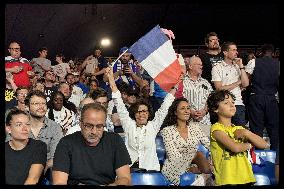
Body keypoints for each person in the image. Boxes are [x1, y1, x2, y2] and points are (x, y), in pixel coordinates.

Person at [105, 67, 179, 172]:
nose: (142, 114)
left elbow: (164, 107)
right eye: (139, 112)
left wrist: (176, 86)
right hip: (130, 171)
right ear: (134, 114)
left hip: (151, 171)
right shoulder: (128, 124)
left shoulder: (153, 126)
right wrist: (111, 78)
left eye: (145, 111)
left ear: (149, 114)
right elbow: (118, 101)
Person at [52, 103, 132, 185]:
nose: (94, 131)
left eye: (99, 126)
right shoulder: (66, 143)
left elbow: (125, 179)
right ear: (80, 124)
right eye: (89, 126)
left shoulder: (115, 141)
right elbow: (59, 183)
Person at [207, 90, 269, 186]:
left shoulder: (240, 129)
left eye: (233, 102)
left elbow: (264, 144)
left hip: (246, 178)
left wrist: (246, 132)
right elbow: (235, 148)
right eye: (226, 103)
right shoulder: (216, 128)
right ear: (215, 109)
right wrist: (250, 144)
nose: (232, 105)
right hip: (227, 180)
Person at [161, 98, 211, 185]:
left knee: (200, 154)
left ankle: (206, 176)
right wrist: (189, 168)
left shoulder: (195, 127)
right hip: (174, 167)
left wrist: (215, 159)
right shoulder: (167, 131)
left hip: (192, 165)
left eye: (188, 108)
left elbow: (209, 145)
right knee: (197, 153)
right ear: (175, 112)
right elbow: (173, 156)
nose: (187, 111)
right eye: (182, 108)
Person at [245, 44, 279, 151]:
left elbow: (246, 80)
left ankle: (257, 156)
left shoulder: (254, 62)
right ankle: (276, 159)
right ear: (273, 54)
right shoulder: (278, 64)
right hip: (271, 98)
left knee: (256, 129)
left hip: (256, 97)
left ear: (261, 52)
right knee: (274, 130)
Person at [211, 41, 249, 127]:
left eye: (236, 50)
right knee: (225, 135)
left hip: (238, 104)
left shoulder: (238, 66)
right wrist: (238, 82)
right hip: (223, 105)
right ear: (225, 52)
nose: (236, 52)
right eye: (233, 50)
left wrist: (241, 66)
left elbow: (246, 84)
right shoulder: (217, 67)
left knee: (240, 136)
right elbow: (219, 88)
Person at [5, 109, 47, 185]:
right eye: (19, 124)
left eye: (27, 124)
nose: (25, 129)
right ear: (9, 129)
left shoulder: (39, 146)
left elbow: (33, 179)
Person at [181, 55, 213, 136]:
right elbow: (179, 100)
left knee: (206, 147)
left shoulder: (205, 82)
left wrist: (204, 111)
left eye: (201, 65)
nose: (201, 67)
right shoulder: (182, 81)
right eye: (198, 64)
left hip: (204, 122)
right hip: (186, 122)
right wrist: (190, 111)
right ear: (190, 66)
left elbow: (211, 100)